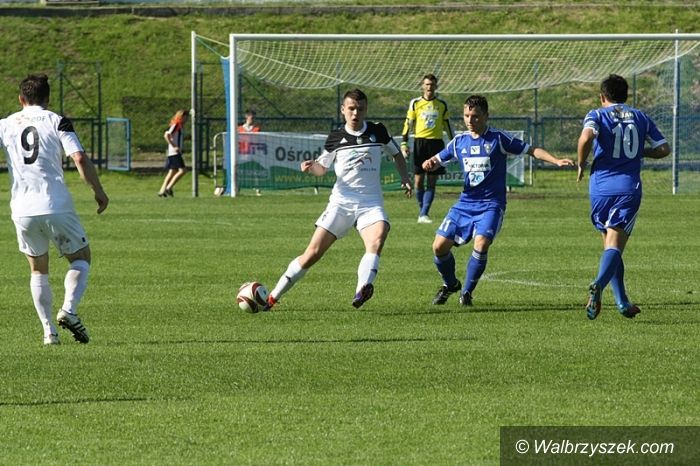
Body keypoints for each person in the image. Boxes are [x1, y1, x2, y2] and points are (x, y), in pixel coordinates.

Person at [264, 89, 412, 311]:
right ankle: (272, 297)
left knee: (377, 239)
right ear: (343, 110)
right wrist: (310, 167)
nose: (355, 113)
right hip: (341, 203)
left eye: (360, 109)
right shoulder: (336, 137)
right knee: (312, 254)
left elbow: (396, 154)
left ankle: (362, 289)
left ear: (366, 110)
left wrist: (405, 177)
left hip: (370, 203)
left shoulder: (378, 131)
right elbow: (322, 168)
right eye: (351, 108)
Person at [423, 95, 574, 306]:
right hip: (465, 204)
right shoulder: (459, 142)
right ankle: (451, 284)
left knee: (482, 243)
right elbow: (439, 159)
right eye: (466, 116)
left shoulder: (498, 139)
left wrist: (555, 160)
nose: (470, 120)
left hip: (491, 205)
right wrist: (431, 162)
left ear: (486, 116)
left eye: (475, 116)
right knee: (438, 247)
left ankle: (466, 293)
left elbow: (531, 150)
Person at [0, 74, 109, 345]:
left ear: (21, 99)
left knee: (38, 270)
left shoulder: (5, 124)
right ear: (47, 99)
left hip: (22, 208)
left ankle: (49, 332)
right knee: (81, 257)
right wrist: (98, 191)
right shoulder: (57, 120)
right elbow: (79, 157)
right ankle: (69, 310)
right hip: (55, 203)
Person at [577, 74, 670, 320]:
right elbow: (664, 149)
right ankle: (598, 284)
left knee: (610, 244)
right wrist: (641, 152)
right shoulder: (640, 117)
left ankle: (622, 302)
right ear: (626, 96)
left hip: (600, 188)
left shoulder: (596, 114)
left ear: (602, 96)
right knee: (615, 246)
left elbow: (586, 138)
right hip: (627, 188)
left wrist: (581, 164)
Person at [401, 73, 453, 224]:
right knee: (418, 181)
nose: (429, 87)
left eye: (432, 84)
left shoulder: (441, 105)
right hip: (420, 143)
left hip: (436, 144)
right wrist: (404, 143)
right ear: (422, 86)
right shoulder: (415, 103)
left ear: (436, 86)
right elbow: (408, 124)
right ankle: (422, 212)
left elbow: (447, 126)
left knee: (431, 181)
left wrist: (453, 143)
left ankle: (424, 213)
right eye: (427, 84)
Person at [158, 109, 188, 197]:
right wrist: (174, 146)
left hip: (172, 152)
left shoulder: (179, 125)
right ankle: (168, 188)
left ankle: (162, 191)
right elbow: (166, 135)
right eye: (185, 117)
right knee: (182, 170)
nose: (186, 119)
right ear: (181, 116)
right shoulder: (176, 124)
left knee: (172, 171)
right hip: (174, 152)